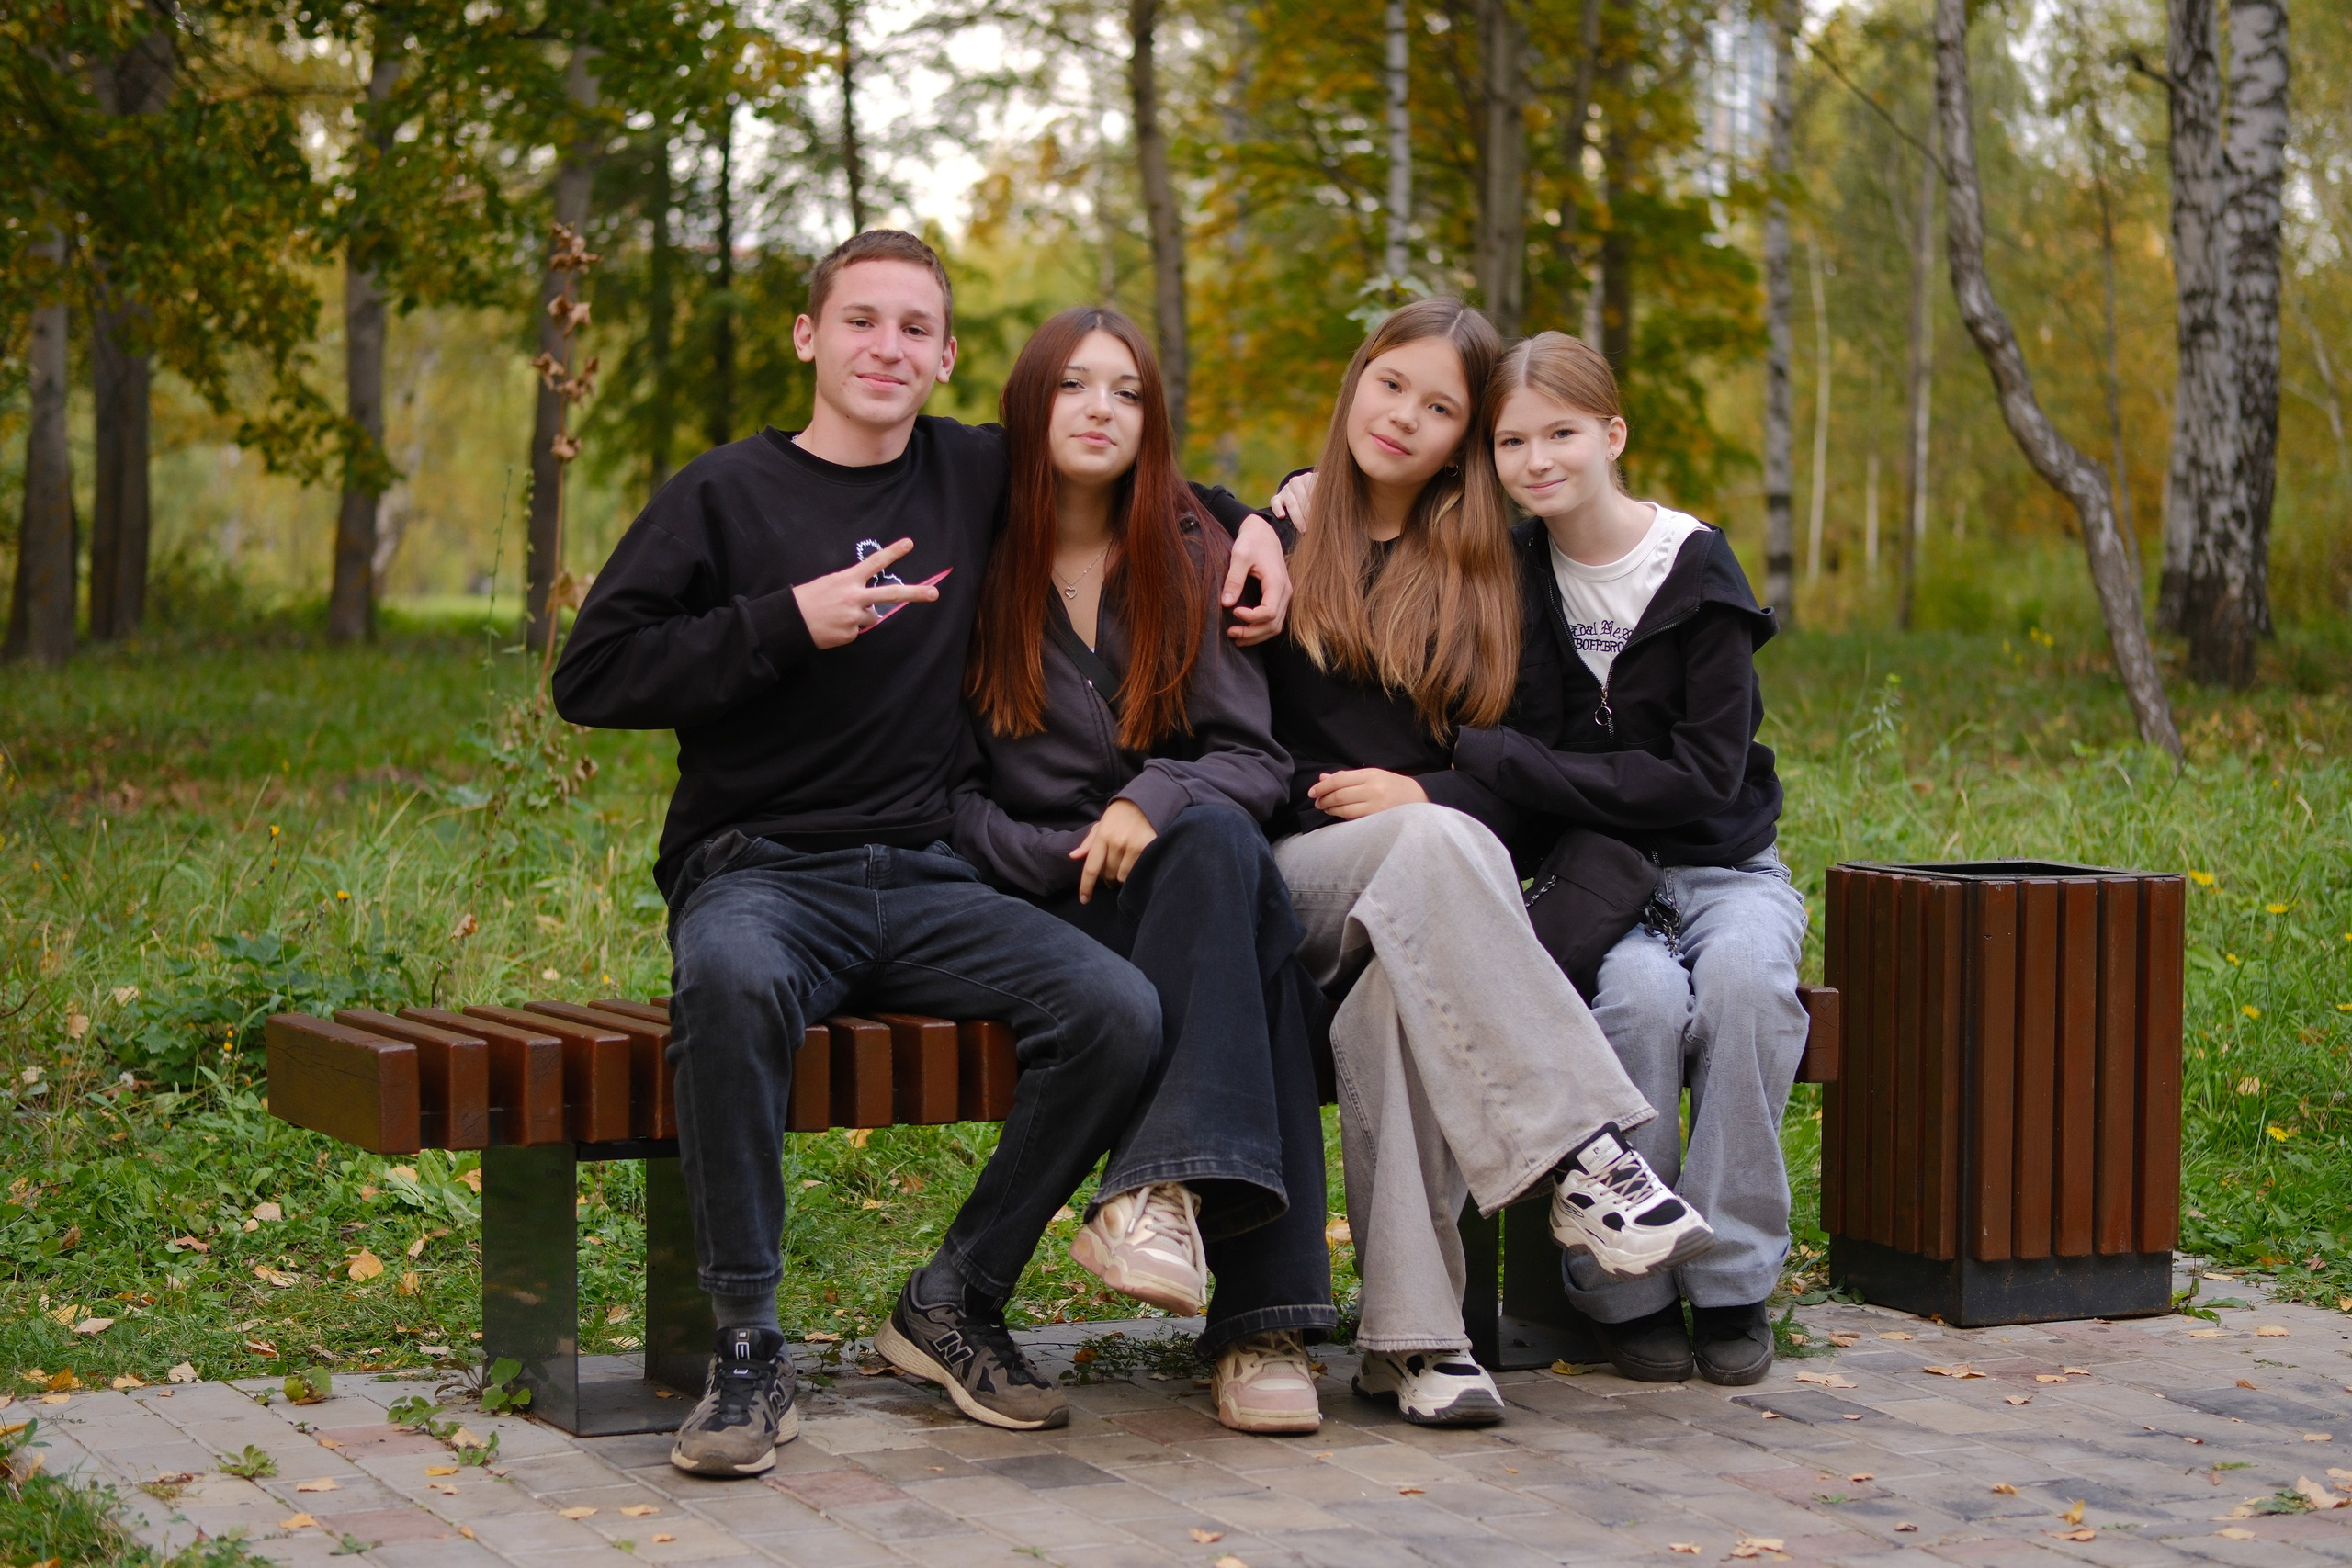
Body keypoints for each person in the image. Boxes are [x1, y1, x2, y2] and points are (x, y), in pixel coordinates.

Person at [551, 230, 1294, 1472]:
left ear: (946, 358)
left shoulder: (968, 470)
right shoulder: (725, 494)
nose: (885, 346)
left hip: (933, 869)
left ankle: (956, 1294)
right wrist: (786, 622)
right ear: (810, 336)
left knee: (1114, 1006)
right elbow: (594, 672)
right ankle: (747, 1345)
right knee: (727, 984)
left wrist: (1269, 510)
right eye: (860, 320)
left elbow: (1121, 457)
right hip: (762, 871)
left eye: (913, 328)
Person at [1257, 299, 1714, 1428]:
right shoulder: (1265, 535)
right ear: (1353, 383)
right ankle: (1585, 1157)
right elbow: (1213, 735)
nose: (1404, 418)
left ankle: (1414, 1345)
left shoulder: (1493, 577)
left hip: (1433, 907)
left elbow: (1535, 768)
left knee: (1399, 1001)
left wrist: (1433, 796)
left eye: (1440, 407)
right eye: (1389, 384)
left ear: (1465, 439)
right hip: (1288, 877)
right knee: (1432, 848)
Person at [948, 305, 1335, 1434]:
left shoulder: (1188, 551)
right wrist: (1070, 850)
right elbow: (942, 797)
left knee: (1217, 851)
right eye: (1074, 385)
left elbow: (1251, 759)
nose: (1101, 408)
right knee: (1253, 952)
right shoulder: (970, 558)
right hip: (1034, 909)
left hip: (1182, 890)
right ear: (1031, 404)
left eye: (1126, 390)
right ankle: (1263, 1327)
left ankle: (1158, 1195)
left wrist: (1147, 797)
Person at [1451, 331, 1803, 1386]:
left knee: (1745, 984)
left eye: (1560, 432)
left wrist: (1516, 760)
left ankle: (1734, 1278)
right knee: (1640, 1008)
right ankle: (1625, 1287)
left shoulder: (1697, 569)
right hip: (1603, 888)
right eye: (1511, 441)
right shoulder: (1512, 571)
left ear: (1612, 434)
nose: (1536, 459)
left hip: (1726, 867)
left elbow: (1703, 776)